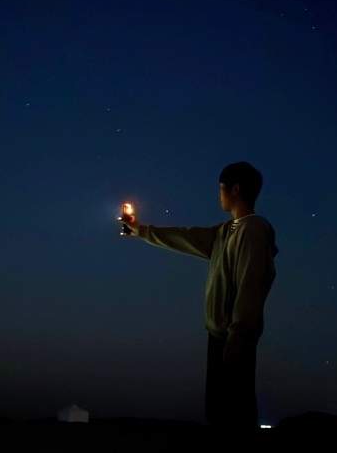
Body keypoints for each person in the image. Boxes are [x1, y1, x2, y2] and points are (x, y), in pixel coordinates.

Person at [118, 161, 279, 444]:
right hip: (220, 337)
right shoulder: (225, 232)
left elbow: (251, 289)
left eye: (221, 189)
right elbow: (185, 237)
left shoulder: (253, 231)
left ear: (235, 190)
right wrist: (140, 231)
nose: (218, 196)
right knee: (218, 414)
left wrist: (237, 342)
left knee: (235, 416)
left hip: (234, 340)